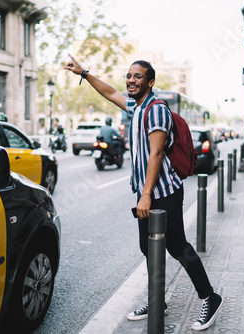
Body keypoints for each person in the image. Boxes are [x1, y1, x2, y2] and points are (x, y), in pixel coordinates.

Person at [65, 55, 222, 331]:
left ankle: (210, 297)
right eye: (129, 75)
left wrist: (147, 194)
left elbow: (157, 153)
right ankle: (156, 300)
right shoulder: (135, 107)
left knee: (179, 247)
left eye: (138, 76)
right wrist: (84, 73)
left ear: (150, 82)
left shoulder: (157, 109)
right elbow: (110, 92)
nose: (131, 80)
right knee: (148, 248)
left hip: (164, 193)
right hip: (145, 192)